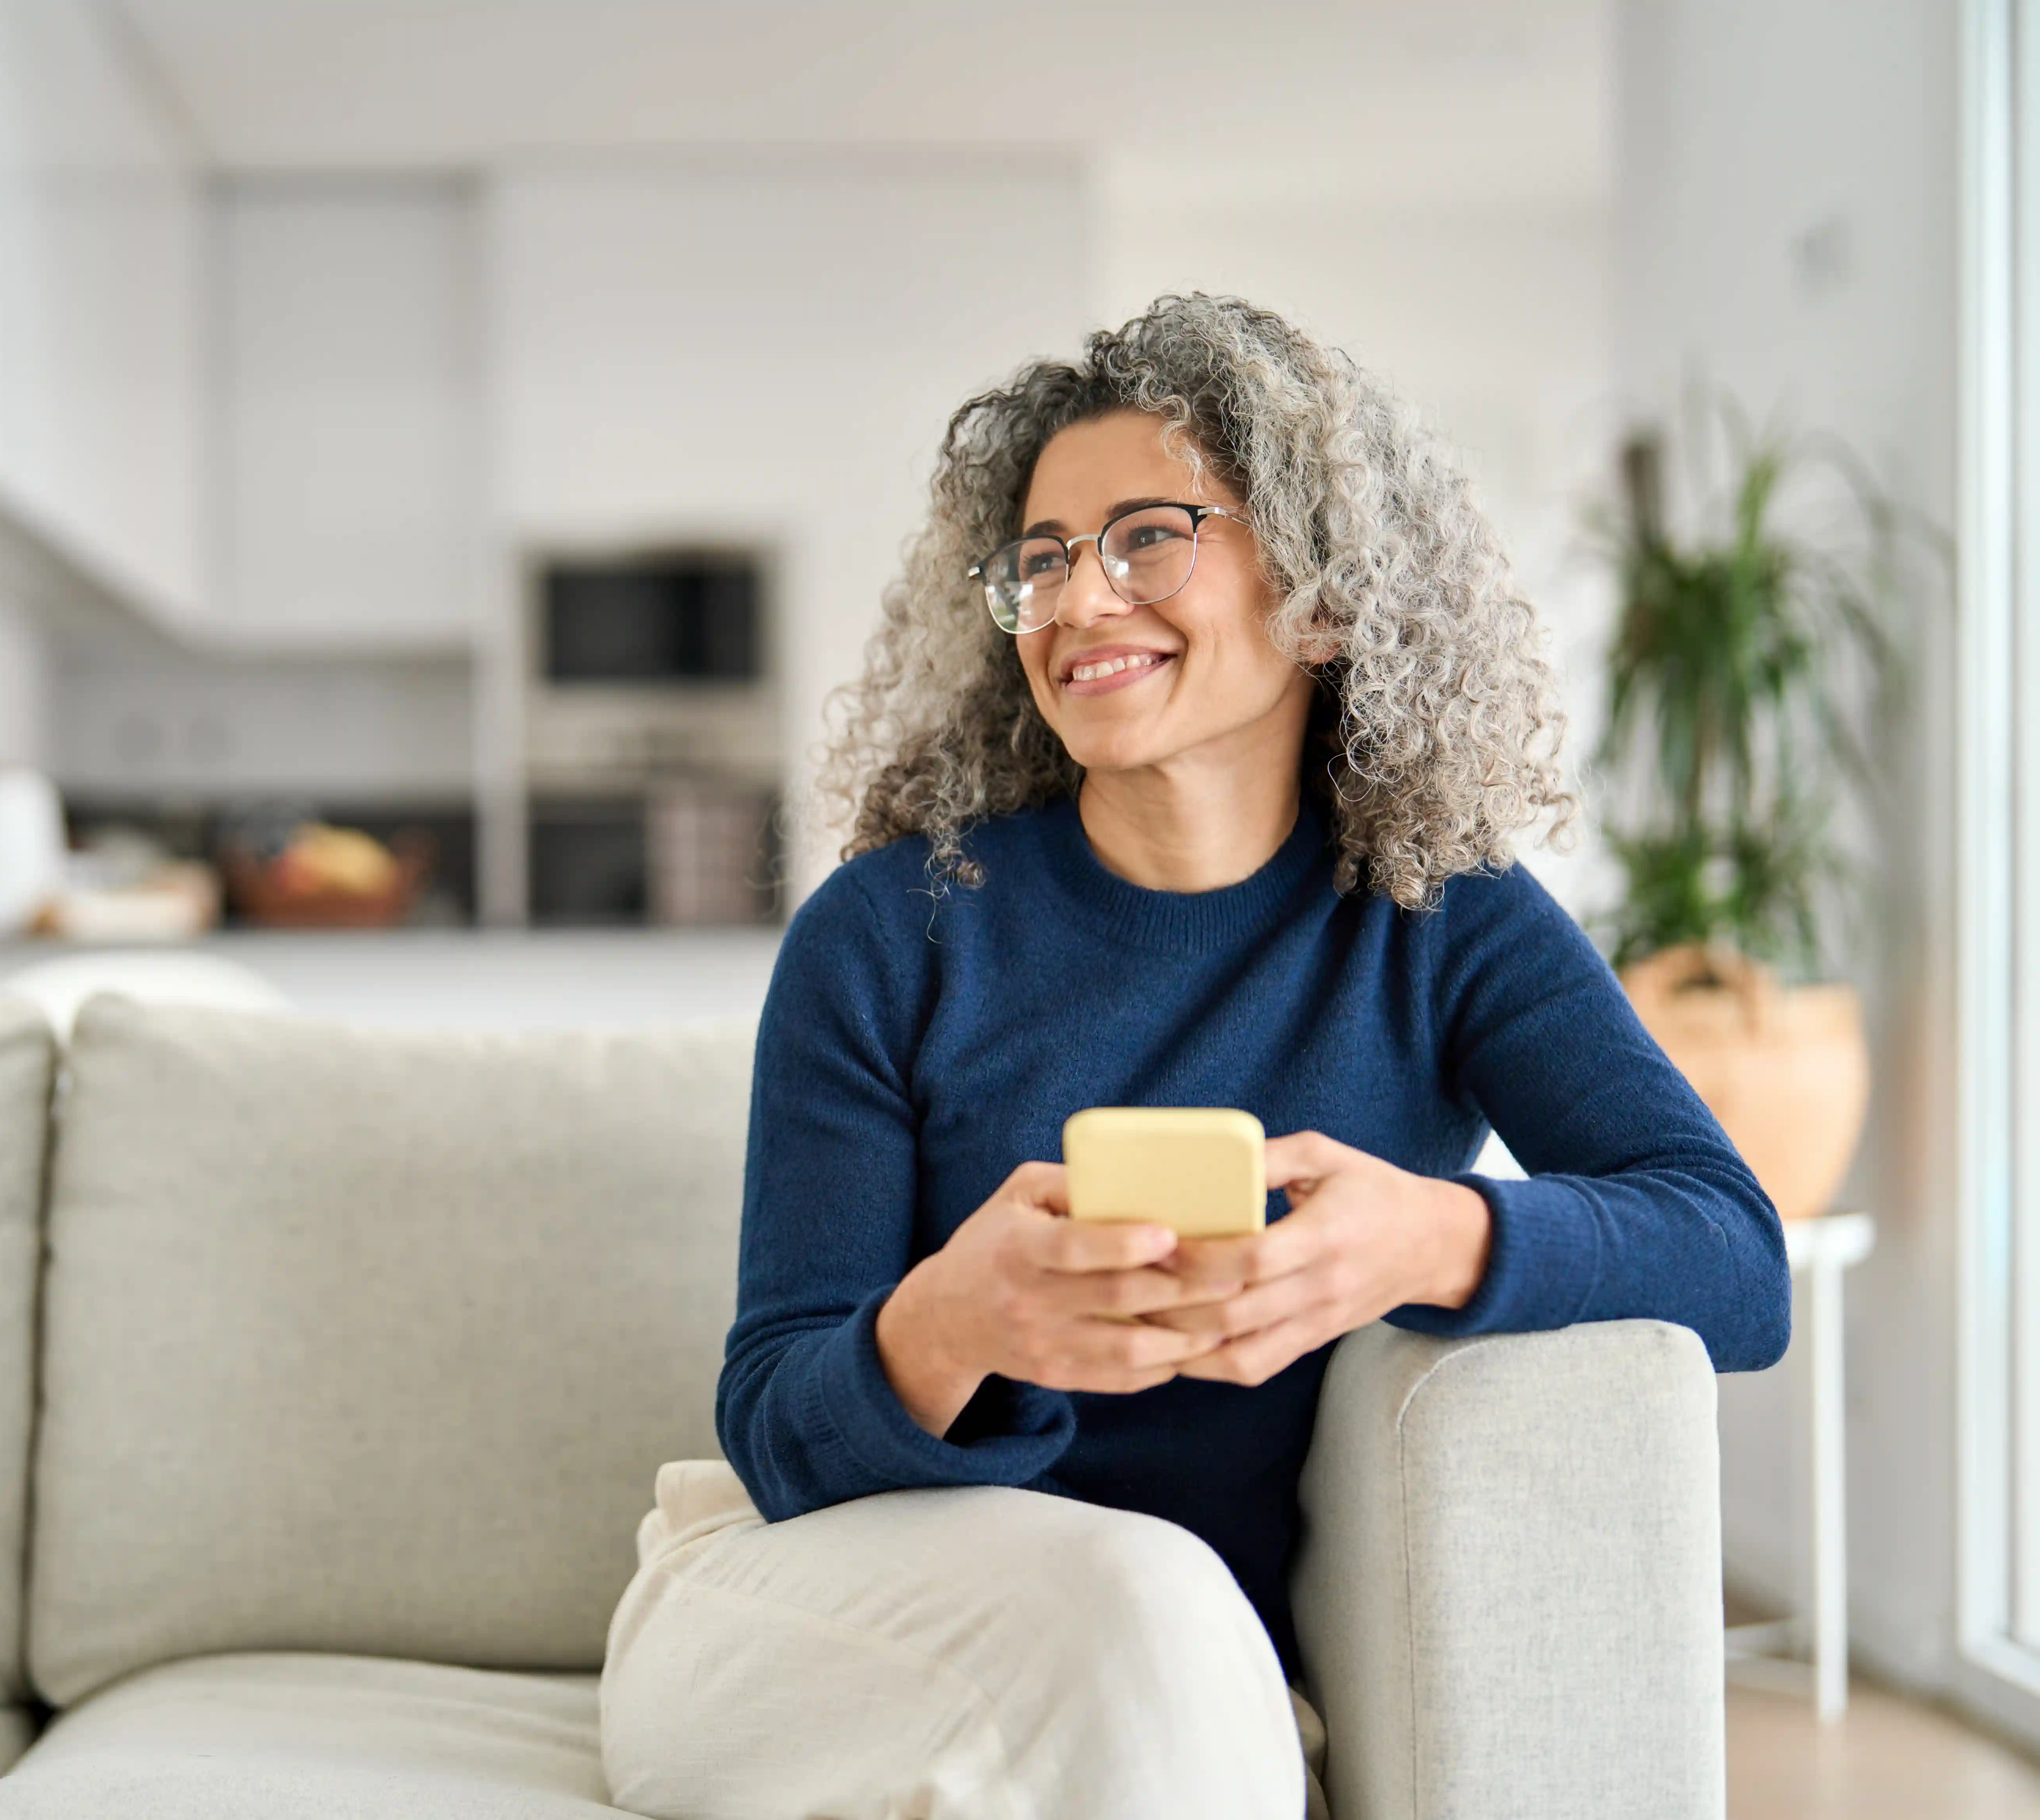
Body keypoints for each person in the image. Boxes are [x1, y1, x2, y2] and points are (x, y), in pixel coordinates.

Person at [596, 293, 1791, 1820]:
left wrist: (1425, 1237)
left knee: (1162, 1637)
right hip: (816, 1610)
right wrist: (957, 1322)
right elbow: (776, 1431)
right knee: (1150, 1622)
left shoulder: (1444, 920)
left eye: (1149, 534)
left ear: (1325, 592)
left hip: (1175, 1683)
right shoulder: (889, 931)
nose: (1078, 598)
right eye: (1039, 558)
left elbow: (1738, 1256)